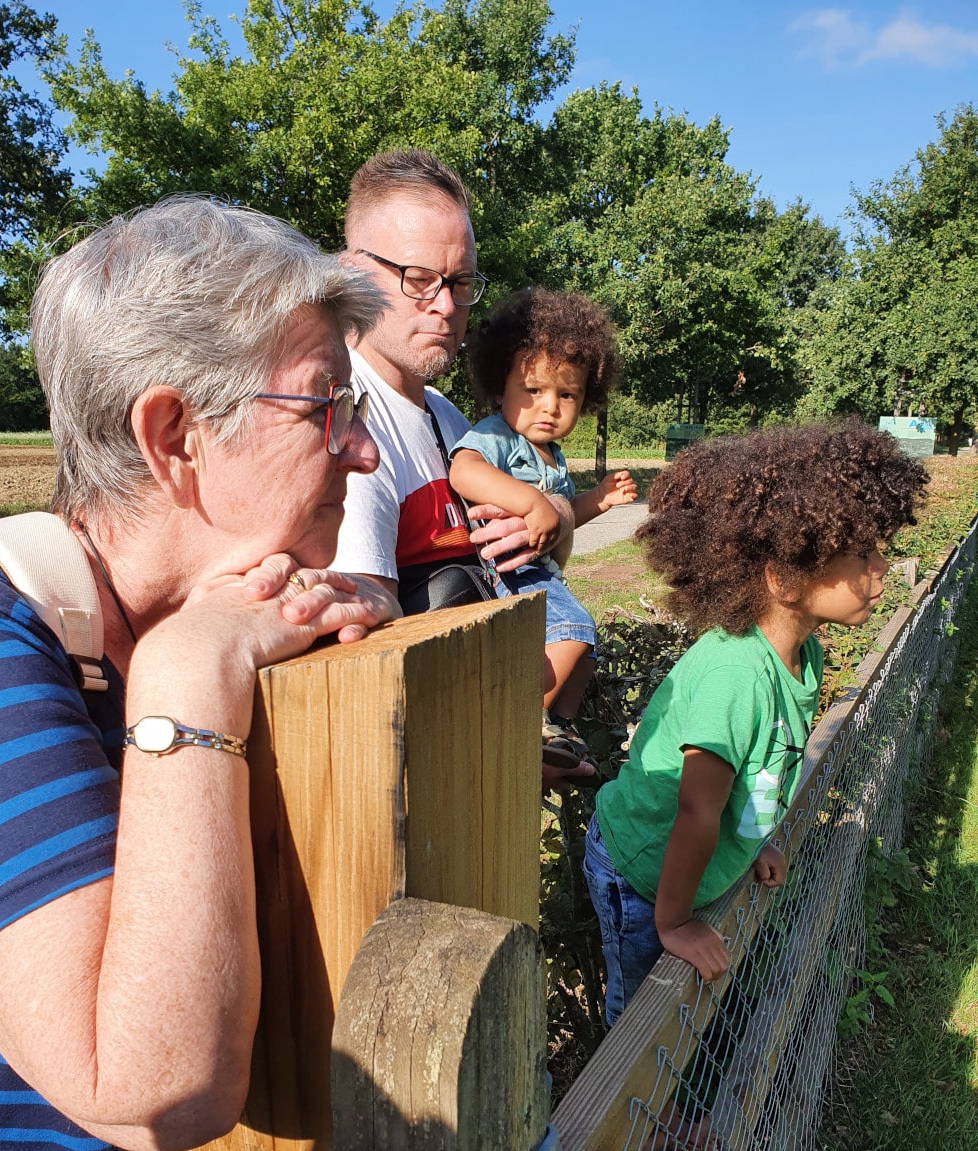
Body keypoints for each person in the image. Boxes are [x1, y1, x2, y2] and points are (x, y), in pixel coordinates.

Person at [0, 197, 398, 1151]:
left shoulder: (194, 618)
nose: (362, 446)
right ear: (174, 438)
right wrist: (182, 683)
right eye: (326, 404)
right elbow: (148, 1084)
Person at [586, 421, 929, 1022]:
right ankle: (653, 1122)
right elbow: (696, 810)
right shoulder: (737, 674)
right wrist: (675, 922)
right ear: (783, 577)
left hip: (691, 858)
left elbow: (763, 764)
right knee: (644, 1013)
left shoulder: (804, 651)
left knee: (689, 1014)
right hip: (645, 875)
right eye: (861, 553)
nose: (881, 566)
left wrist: (754, 842)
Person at [333, 148, 594, 783]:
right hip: (420, 782)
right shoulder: (347, 426)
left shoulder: (450, 418)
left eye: (461, 282)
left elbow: (547, 560)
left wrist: (554, 513)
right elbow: (364, 654)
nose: (446, 306)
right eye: (418, 278)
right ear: (351, 273)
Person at [448, 286, 637, 774]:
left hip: (541, 569)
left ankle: (560, 729)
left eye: (566, 394)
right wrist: (530, 500)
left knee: (586, 650)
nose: (549, 406)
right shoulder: (497, 435)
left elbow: (562, 517)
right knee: (573, 629)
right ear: (499, 389)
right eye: (533, 390)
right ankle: (522, 721)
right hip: (506, 569)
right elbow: (464, 472)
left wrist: (597, 501)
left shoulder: (552, 457)